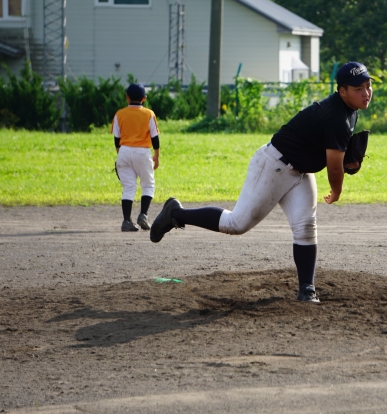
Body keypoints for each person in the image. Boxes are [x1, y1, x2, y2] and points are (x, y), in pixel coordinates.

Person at [149, 62, 373, 302]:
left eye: (368, 86)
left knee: (306, 227)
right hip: (273, 166)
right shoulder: (336, 116)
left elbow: (330, 150)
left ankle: (306, 288)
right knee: (236, 224)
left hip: (300, 172)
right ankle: (176, 214)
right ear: (342, 91)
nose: (366, 92)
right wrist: (336, 190)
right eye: (358, 88)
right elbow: (334, 166)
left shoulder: (350, 109)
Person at [111, 82, 160, 232]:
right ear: (144, 98)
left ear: (127, 97)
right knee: (148, 185)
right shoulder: (149, 114)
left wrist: (120, 154)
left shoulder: (119, 114)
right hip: (142, 152)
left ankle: (127, 221)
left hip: (124, 151)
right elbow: (155, 138)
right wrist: (156, 156)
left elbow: (116, 139)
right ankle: (143, 215)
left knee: (129, 187)